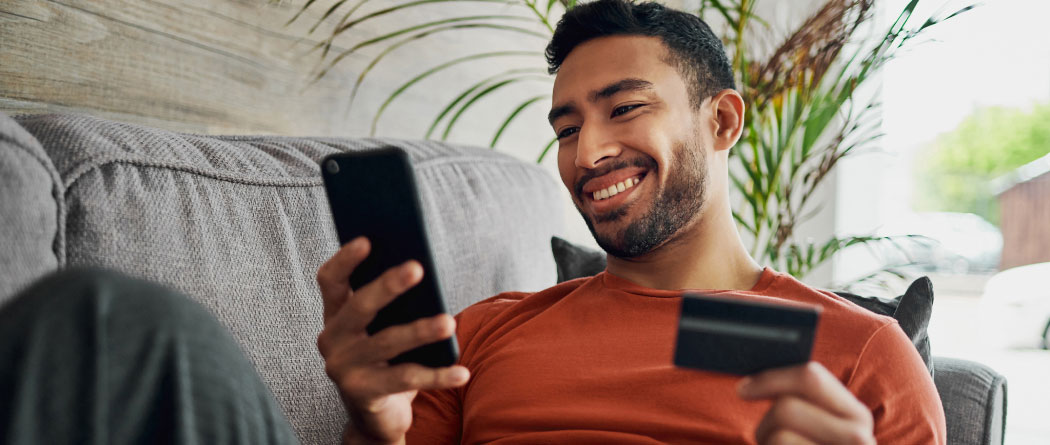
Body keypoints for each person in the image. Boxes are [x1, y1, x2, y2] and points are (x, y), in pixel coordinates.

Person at [314, 0, 946, 444]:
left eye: (625, 108)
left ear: (722, 122)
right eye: (566, 130)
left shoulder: (861, 354)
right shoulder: (479, 335)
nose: (587, 154)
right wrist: (373, 427)